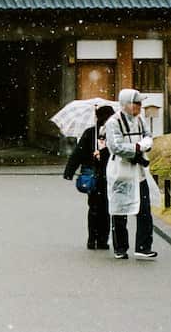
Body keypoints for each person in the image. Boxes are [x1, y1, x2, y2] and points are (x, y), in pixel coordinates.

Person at [103, 88, 158, 260]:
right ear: (126, 104)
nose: (140, 106)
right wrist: (137, 147)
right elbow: (115, 147)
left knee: (144, 210)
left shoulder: (140, 120)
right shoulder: (113, 122)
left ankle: (143, 246)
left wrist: (146, 143)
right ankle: (120, 247)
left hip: (138, 172)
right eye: (137, 103)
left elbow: (148, 136)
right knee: (119, 211)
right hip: (120, 171)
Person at [63, 104, 114, 250]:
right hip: (104, 174)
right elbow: (78, 153)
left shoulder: (90, 132)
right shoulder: (103, 133)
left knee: (94, 208)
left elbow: (77, 153)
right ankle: (101, 240)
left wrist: (69, 171)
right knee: (104, 209)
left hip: (93, 174)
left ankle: (93, 239)